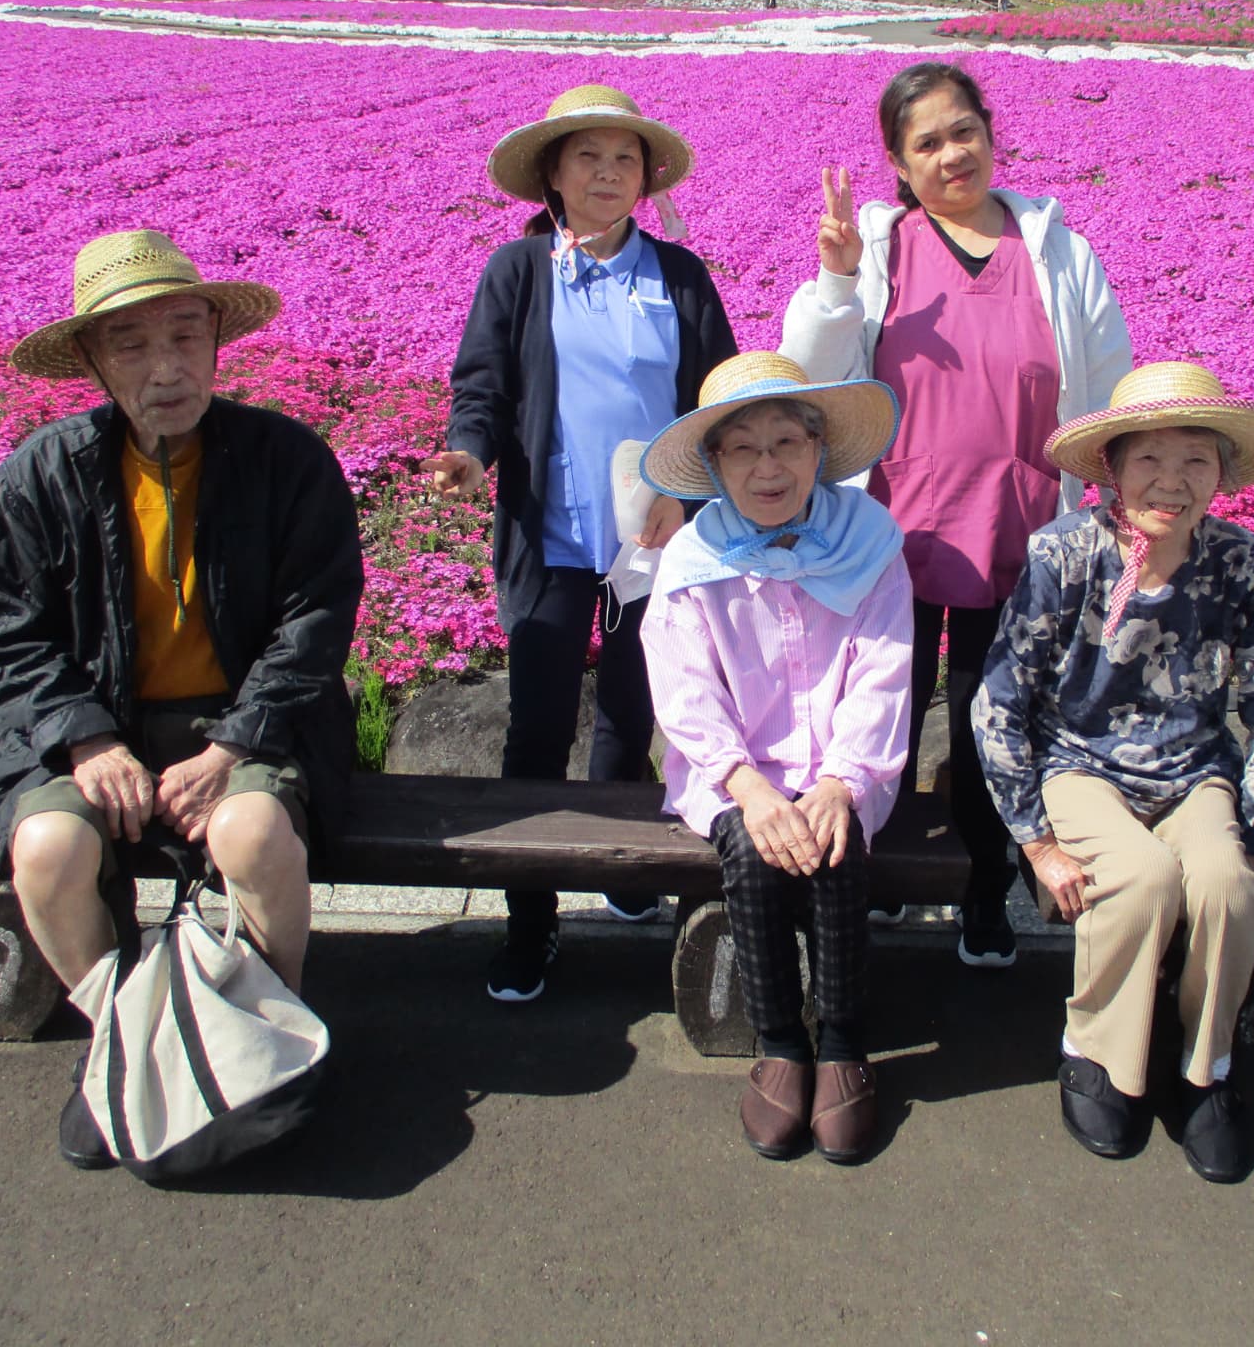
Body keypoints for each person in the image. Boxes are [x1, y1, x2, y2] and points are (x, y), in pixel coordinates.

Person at [0, 230, 363, 1170]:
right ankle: (129, 1042)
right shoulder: (44, 470)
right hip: (92, 725)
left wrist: (233, 746)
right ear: (96, 361)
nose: (166, 367)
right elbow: (10, 631)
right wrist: (85, 742)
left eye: (186, 337)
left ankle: (264, 1048)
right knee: (49, 847)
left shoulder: (286, 458)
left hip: (247, 722)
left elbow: (315, 621)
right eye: (134, 345)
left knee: (252, 837)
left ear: (217, 344)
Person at [780, 60, 1132, 967]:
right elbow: (810, 380)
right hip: (893, 531)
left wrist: (1110, 499)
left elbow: (1107, 384)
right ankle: (881, 880)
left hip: (1016, 531)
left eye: (962, 131)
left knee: (988, 720)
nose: (951, 155)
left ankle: (982, 888)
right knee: (874, 715)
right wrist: (835, 282)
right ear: (899, 163)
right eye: (926, 143)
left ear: (989, 131)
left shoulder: (1057, 249)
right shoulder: (881, 247)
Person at [432, 86, 737, 1004]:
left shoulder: (679, 275)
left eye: (624, 160)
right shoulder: (517, 271)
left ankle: (621, 868)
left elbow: (716, 403)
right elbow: (481, 383)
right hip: (551, 536)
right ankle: (531, 923)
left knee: (633, 716)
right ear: (553, 176)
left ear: (645, 178)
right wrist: (468, 452)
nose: (607, 174)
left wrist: (686, 501)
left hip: (656, 537)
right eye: (586, 158)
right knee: (535, 728)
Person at [972, 362, 1254, 1183]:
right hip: (1080, 765)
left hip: (1193, 770)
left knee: (1226, 885)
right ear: (1112, 470)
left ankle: (1205, 1071)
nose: (1172, 480)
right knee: (1142, 878)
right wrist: (1037, 843)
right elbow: (998, 703)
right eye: (1148, 459)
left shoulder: (1236, 559)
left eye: (1195, 460)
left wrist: (1252, 832)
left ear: (1221, 474)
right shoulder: (1065, 552)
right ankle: (1096, 1054)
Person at [639, 354, 912, 1161]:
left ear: (818, 449)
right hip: (732, 770)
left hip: (844, 761)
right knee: (757, 856)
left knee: (833, 845)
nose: (768, 467)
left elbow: (886, 666)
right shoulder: (690, 560)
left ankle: (841, 1045)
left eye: (786, 443)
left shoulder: (869, 540)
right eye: (743, 449)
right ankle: (778, 1043)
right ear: (715, 465)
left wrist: (842, 780)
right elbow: (684, 691)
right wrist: (750, 789)